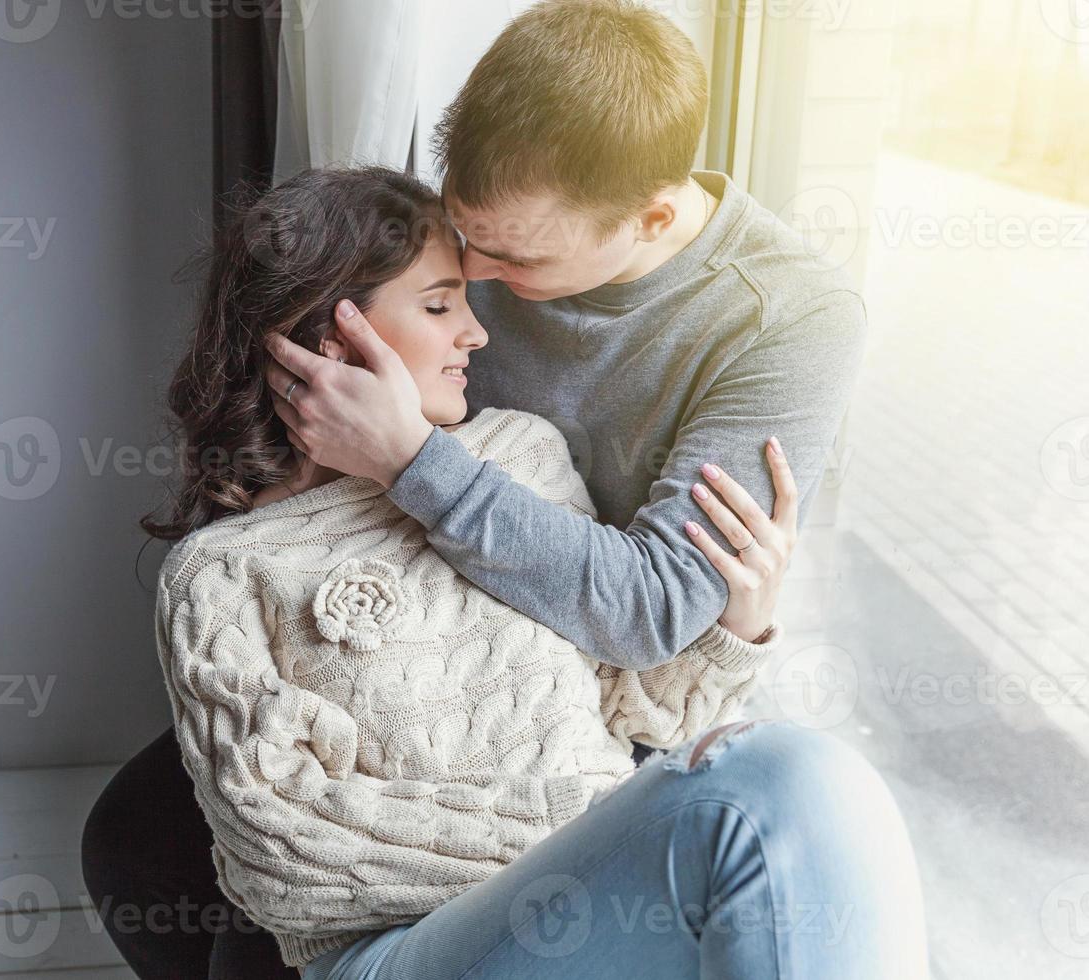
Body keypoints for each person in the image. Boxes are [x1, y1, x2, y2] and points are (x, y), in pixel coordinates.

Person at [85, 2, 927, 976]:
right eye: (454, 262)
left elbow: (650, 614)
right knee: (132, 845)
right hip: (435, 657)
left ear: (652, 219)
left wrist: (411, 458)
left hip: (573, 669)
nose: (473, 286)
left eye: (509, 262)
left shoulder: (787, 318)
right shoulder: (225, 570)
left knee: (794, 787)